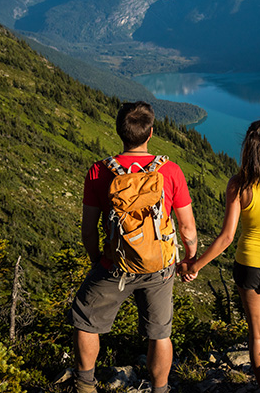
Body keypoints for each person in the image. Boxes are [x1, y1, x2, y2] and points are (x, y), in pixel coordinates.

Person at [69, 101, 198, 393]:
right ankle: (160, 389)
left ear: (119, 132)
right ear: (150, 132)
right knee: (160, 334)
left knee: (85, 320)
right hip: (160, 267)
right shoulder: (171, 171)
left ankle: (85, 386)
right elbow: (188, 230)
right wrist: (188, 261)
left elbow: (88, 229)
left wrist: (97, 261)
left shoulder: (99, 172)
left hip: (114, 265)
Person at [181, 119, 260, 393]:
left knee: (257, 334)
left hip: (248, 266)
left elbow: (227, 237)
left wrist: (196, 266)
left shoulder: (238, 184)